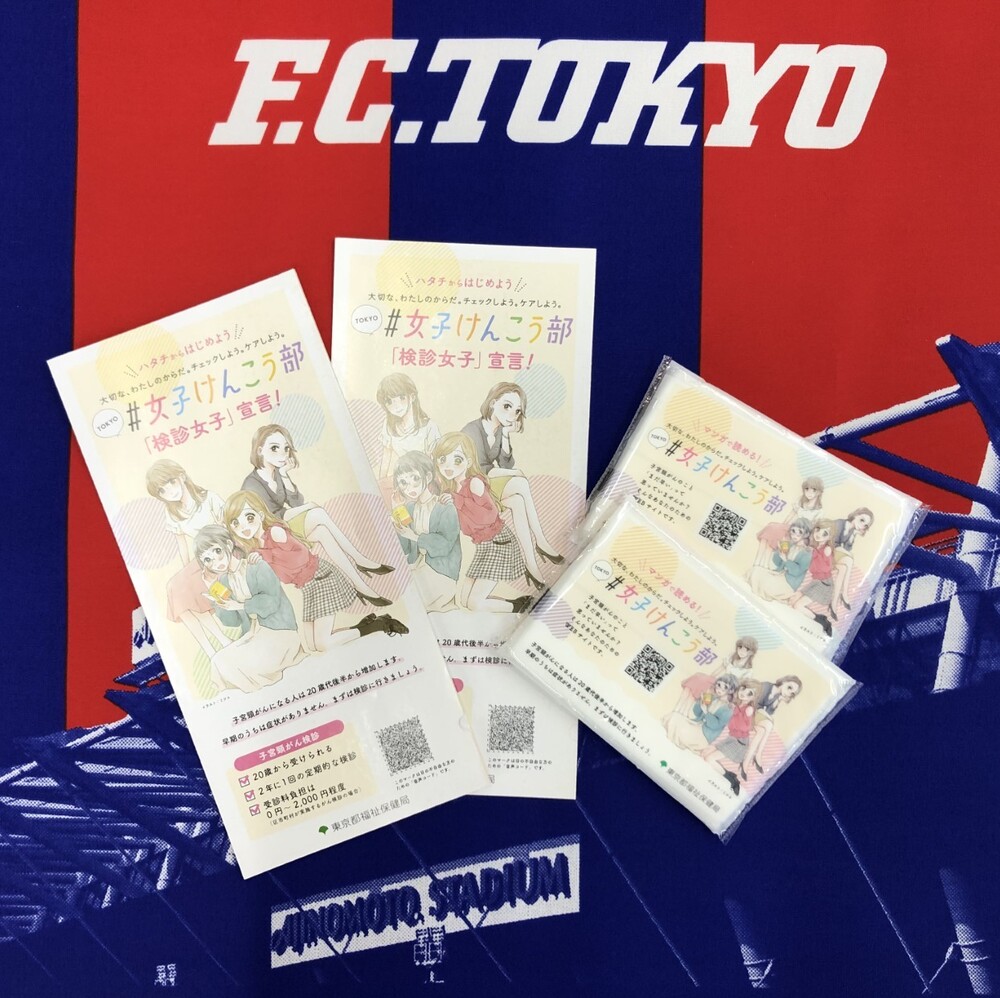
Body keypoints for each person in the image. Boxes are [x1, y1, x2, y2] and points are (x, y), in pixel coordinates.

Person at [225, 491, 407, 653]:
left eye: (249, 518)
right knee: (312, 646)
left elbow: (300, 557)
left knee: (322, 644)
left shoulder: (275, 533)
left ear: (260, 515)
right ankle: (364, 625)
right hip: (308, 588)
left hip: (321, 579)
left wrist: (266, 555)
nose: (243, 526)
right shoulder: (256, 548)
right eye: (235, 523)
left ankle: (379, 625)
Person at [242, 423, 393, 605]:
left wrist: (285, 475)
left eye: (286, 448)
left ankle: (360, 585)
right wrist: (306, 507)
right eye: (274, 448)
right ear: (259, 450)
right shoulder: (251, 485)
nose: (283, 454)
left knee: (322, 531)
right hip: (273, 539)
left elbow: (296, 503)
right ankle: (360, 560)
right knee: (318, 513)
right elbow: (269, 520)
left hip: (285, 527)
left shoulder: (276, 473)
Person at [462, 382, 562, 583]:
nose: (512, 415)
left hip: (488, 488)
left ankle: (531, 565)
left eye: (517, 411)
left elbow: (506, 465)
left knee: (518, 501)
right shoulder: (472, 430)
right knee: (521, 484)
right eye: (506, 406)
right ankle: (541, 542)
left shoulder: (499, 430)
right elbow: (477, 471)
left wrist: (506, 435)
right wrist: (515, 473)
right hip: (472, 492)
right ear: (492, 403)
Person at [431, 431, 533, 615]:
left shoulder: (474, 483)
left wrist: (458, 501)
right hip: (484, 546)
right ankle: (518, 603)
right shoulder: (452, 489)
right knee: (464, 601)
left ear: (469, 461)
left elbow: (489, 515)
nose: (448, 466)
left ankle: (521, 607)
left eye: (457, 460)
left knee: (475, 604)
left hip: (499, 543)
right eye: (443, 459)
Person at [193, 525, 303, 694]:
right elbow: (232, 622)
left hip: (280, 632)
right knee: (218, 661)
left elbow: (272, 602)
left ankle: (260, 692)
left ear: (228, 545)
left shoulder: (256, 566)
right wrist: (216, 594)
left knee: (237, 665)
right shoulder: (224, 581)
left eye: (217, 551)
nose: (215, 562)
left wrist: (240, 605)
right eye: (207, 560)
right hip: (252, 636)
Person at [145, 459, 232, 658]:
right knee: (174, 587)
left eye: (171, 483)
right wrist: (187, 571)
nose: (170, 492)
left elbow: (228, 529)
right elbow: (182, 543)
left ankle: (222, 640)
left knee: (189, 587)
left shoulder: (209, 498)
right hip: (202, 559)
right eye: (162, 491)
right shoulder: (173, 512)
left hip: (223, 552)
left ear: (182, 476)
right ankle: (210, 650)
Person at [391, 452, 460, 611]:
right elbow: (404, 548)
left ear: (428, 477)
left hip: (440, 571)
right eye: (403, 482)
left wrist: (415, 537)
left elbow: (445, 546)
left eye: (415, 478)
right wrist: (397, 510)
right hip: (417, 566)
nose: (410, 487)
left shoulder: (444, 507)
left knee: (412, 603)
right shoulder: (409, 507)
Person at [701, 679, 764, 796]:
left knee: (709, 759)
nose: (744, 693)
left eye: (749, 693)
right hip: (732, 738)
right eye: (743, 688)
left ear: (753, 698)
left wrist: (735, 711)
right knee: (704, 754)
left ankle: (732, 780)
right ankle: (730, 775)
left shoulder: (748, 709)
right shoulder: (737, 704)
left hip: (739, 743)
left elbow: (744, 727)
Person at [375, 373, 441, 480]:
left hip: (426, 478)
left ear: (412, 397)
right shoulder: (389, 425)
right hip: (404, 479)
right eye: (389, 402)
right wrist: (380, 482)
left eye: (402, 398)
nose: (396, 406)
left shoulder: (429, 427)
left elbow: (437, 462)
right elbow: (386, 457)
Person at [673, 637, 758, 715]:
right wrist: (708, 678)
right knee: (698, 678)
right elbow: (720, 669)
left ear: (751, 652)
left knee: (704, 688)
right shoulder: (732, 657)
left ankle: (683, 712)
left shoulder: (748, 671)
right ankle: (678, 709)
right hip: (720, 682)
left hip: (727, 690)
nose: (742, 651)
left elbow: (738, 689)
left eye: (746, 650)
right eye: (740, 648)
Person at [753, 477, 825, 567]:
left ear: (819, 492)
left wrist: (803, 539)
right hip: (791, 528)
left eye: (813, 490)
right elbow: (791, 515)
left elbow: (812, 530)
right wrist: (781, 526)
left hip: (800, 534)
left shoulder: (819, 511)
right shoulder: (801, 501)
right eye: (807, 489)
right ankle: (758, 562)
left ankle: (764, 564)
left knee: (775, 534)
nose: (809, 493)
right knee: (771, 529)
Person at [740, 675, 803, 776]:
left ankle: (745, 763)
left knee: (762, 731)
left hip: (754, 713)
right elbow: (753, 702)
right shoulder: (766, 686)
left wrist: (778, 701)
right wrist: (767, 717)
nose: (789, 693)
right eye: (789, 687)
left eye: (792, 693)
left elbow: (769, 712)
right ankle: (758, 756)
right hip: (747, 709)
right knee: (769, 724)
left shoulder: (778, 696)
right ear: (784, 682)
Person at [786, 519, 837, 636]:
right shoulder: (815, 547)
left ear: (829, 537)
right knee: (792, 600)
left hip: (824, 584)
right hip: (816, 581)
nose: (819, 534)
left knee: (798, 606)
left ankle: (822, 621)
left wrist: (814, 554)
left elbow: (825, 568)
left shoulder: (826, 549)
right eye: (818, 529)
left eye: (825, 533)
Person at [664, 674, 737, 753]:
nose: (720, 689)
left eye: (725, 687)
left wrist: (706, 711)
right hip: (697, 725)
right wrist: (701, 701)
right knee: (674, 717)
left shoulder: (728, 710)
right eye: (719, 685)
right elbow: (697, 712)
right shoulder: (713, 698)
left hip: (704, 736)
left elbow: (715, 725)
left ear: (731, 691)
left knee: (678, 727)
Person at [747, 518, 813, 602]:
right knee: (755, 571)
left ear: (806, 534)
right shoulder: (791, 544)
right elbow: (777, 562)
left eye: (800, 532)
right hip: (779, 575)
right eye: (793, 531)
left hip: (788, 584)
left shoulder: (807, 554)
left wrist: (786, 560)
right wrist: (779, 550)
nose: (795, 535)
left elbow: (796, 572)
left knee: (765, 585)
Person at [829, 507, 875, 620]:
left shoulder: (851, 531)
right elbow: (832, 544)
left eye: (865, 525)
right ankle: (844, 594)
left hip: (832, 555)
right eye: (862, 520)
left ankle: (834, 603)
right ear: (855, 515)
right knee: (849, 560)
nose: (862, 525)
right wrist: (848, 554)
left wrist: (853, 535)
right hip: (824, 551)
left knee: (844, 568)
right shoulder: (839, 523)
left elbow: (846, 549)